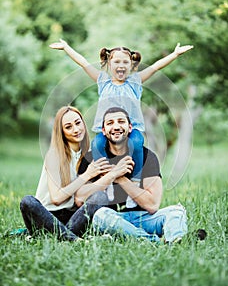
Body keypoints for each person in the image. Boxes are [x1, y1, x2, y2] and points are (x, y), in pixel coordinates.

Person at [49, 40, 193, 184]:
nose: (121, 66)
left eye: (125, 62)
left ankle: (135, 180)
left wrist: (174, 54)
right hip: (107, 131)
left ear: (131, 65)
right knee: (97, 145)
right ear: (109, 64)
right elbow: (84, 63)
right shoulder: (103, 81)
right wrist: (66, 48)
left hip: (132, 130)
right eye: (116, 62)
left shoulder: (135, 81)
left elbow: (155, 67)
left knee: (137, 142)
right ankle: (105, 178)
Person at [76, 107, 188, 244]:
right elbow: (79, 199)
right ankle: (154, 242)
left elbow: (152, 205)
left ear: (129, 128)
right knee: (100, 216)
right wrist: (112, 174)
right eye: (110, 123)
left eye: (121, 121)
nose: (116, 126)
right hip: (111, 219)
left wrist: (121, 178)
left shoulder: (147, 157)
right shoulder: (92, 158)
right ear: (103, 131)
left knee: (176, 211)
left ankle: (175, 240)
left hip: (143, 218)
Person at [20, 106, 112, 242]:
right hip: (46, 216)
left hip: (72, 218)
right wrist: (86, 175)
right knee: (28, 201)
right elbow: (57, 198)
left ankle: (66, 236)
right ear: (61, 132)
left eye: (78, 123)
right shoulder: (54, 155)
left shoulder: (89, 154)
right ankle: (74, 239)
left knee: (100, 197)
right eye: (68, 127)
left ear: (83, 123)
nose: (76, 129)